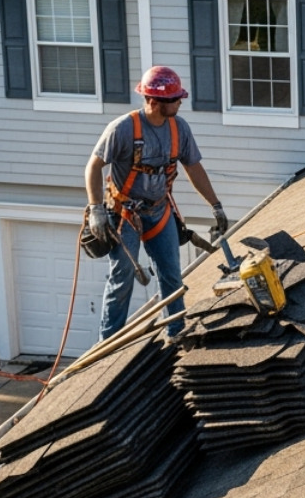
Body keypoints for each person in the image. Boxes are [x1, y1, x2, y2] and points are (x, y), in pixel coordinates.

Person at [86, 66, 228, 341]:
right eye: (175, 98)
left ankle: (176, 331)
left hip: (159, 211)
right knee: (122, 278)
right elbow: (93, 168)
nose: (179, 102)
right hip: (125, 213)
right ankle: (107, 344)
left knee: (171, 275)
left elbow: (194, 168)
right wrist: (96, 211)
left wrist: (216, 205)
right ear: (154, 101)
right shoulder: (123, 129)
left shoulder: (179, 128)